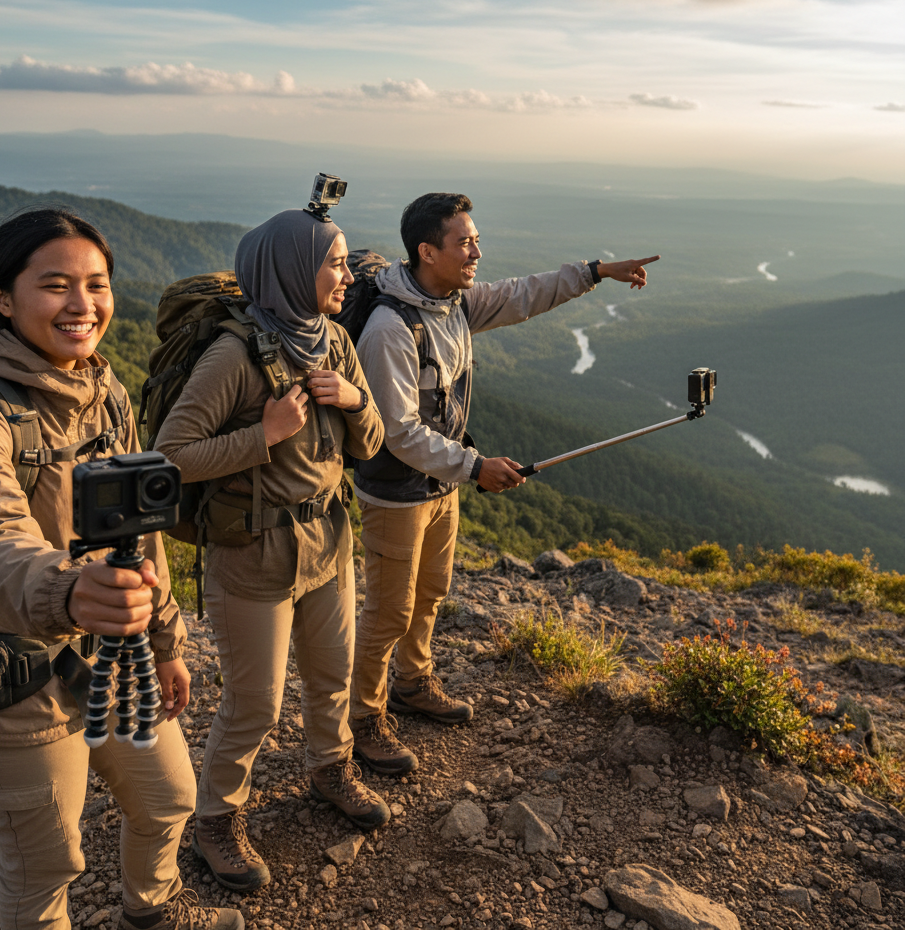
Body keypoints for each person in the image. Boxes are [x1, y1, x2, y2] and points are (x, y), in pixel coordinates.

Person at [0, 209, 242, 930]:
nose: (83, 304)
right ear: (3, 298)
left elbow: (142, 534)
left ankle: (152, 913)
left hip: (113, 658)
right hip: (14, 682)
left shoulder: (104, 390)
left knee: (167, 799)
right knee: (45, 868)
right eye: (56, 285)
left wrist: (165, 641)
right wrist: (67, 591)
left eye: (96, 284)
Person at [350, 192, 660, 775]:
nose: (476, 251)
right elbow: (396, 432)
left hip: (439, 486)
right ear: (427, 251)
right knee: (389, 611)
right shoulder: (391, 329)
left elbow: (524, 294)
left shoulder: (454, 301)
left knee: (431, 593)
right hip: (396, 492)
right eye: (463, 242)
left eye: (475, 238)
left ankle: (412, 683)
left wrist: (596, 272)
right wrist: (474, 467)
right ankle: (363, 719)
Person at [155, 208, 388, 894]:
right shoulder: (233, 355)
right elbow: (169, 455)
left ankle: (330, 767)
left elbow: (369, 446)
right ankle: (215, 820)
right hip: (252, 553)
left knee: (332, 676)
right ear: (292, 269)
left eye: (345, 262)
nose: (348, 275)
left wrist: (351, 400)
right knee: (254, 704)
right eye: (336, 263)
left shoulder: (335, 343)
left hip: (328, 541)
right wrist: (264, 435)